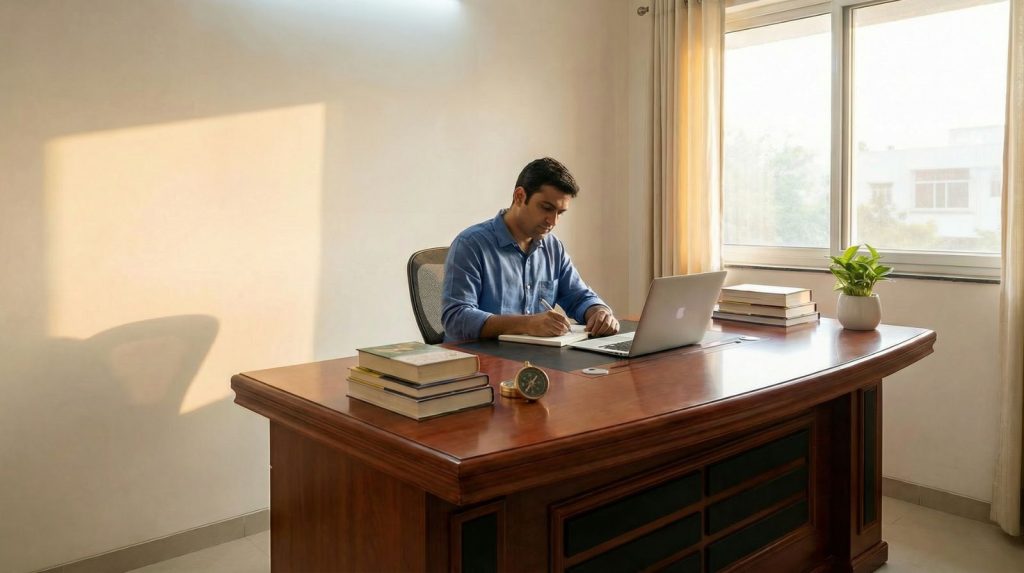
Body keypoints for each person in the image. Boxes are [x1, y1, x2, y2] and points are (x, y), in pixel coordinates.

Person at [441, 157, 620, 342]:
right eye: (546, 208)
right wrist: (527, 324)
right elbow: (456, 319)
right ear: (519, 196)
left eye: (560, 213)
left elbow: (579, 297)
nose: (553, 221)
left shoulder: (552, 248)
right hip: (482, 362)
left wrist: (599, 312)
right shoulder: (470, 244)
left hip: (535, 361)